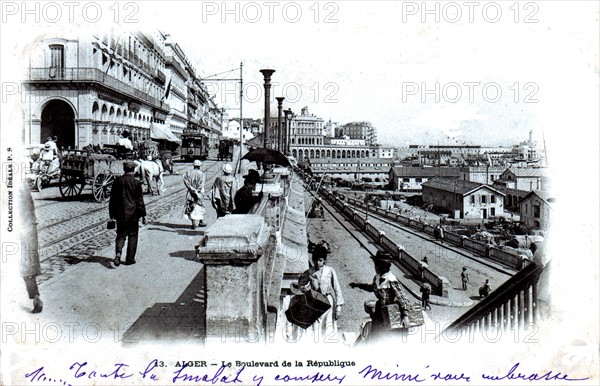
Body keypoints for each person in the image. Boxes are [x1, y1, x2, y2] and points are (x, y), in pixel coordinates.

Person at [350, 251, 413, 338]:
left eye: (376, 265)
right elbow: (372, 288)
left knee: (388, 336)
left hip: (391, 311)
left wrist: (405, 315)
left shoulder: (391, 280)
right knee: (375, 334)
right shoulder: (377, 277)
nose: (375, 267)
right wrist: (357, 285)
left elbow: (403, 299)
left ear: (381, 266)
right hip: (380, 311)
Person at [296, 244, 344, 339]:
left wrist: (339, 307)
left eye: (320, 260)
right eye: (315, 260)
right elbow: (301, 284)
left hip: (327, 300)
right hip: (314, 300)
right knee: (315, 324)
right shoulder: (310, 271)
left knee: (327, 324)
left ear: (324, 260)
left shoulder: (330, 271)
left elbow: (337, 288)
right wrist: (305, 289)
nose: (317, 263)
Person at [109, 161, 146, 266]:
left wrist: (111, 214)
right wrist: (143, 215)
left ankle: (118, 254)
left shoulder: (117, 181)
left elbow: (113, 199)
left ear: (124, 169)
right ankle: (130, 259)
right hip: (133, 215)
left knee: (120, 235)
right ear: (133, 170)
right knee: (133, 236)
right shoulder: (136, 183)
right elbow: (139, 201)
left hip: (120, 214)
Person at [18, 181, 43, 313]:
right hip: (25, 227)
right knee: (27, 266)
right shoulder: (21, 183)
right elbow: (29, 206)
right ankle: (36, 297)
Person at [183, 160, 206, 229]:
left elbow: (185, 181)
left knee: (191, 206)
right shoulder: (202, 174)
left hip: (190, 192)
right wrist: (197, 191)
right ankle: (200, 221)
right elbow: (202, 184)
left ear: (194, 165)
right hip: (199, 193)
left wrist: (191, 188)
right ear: (199, 166)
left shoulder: (188, 173)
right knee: (200, 206)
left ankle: (193, 223)